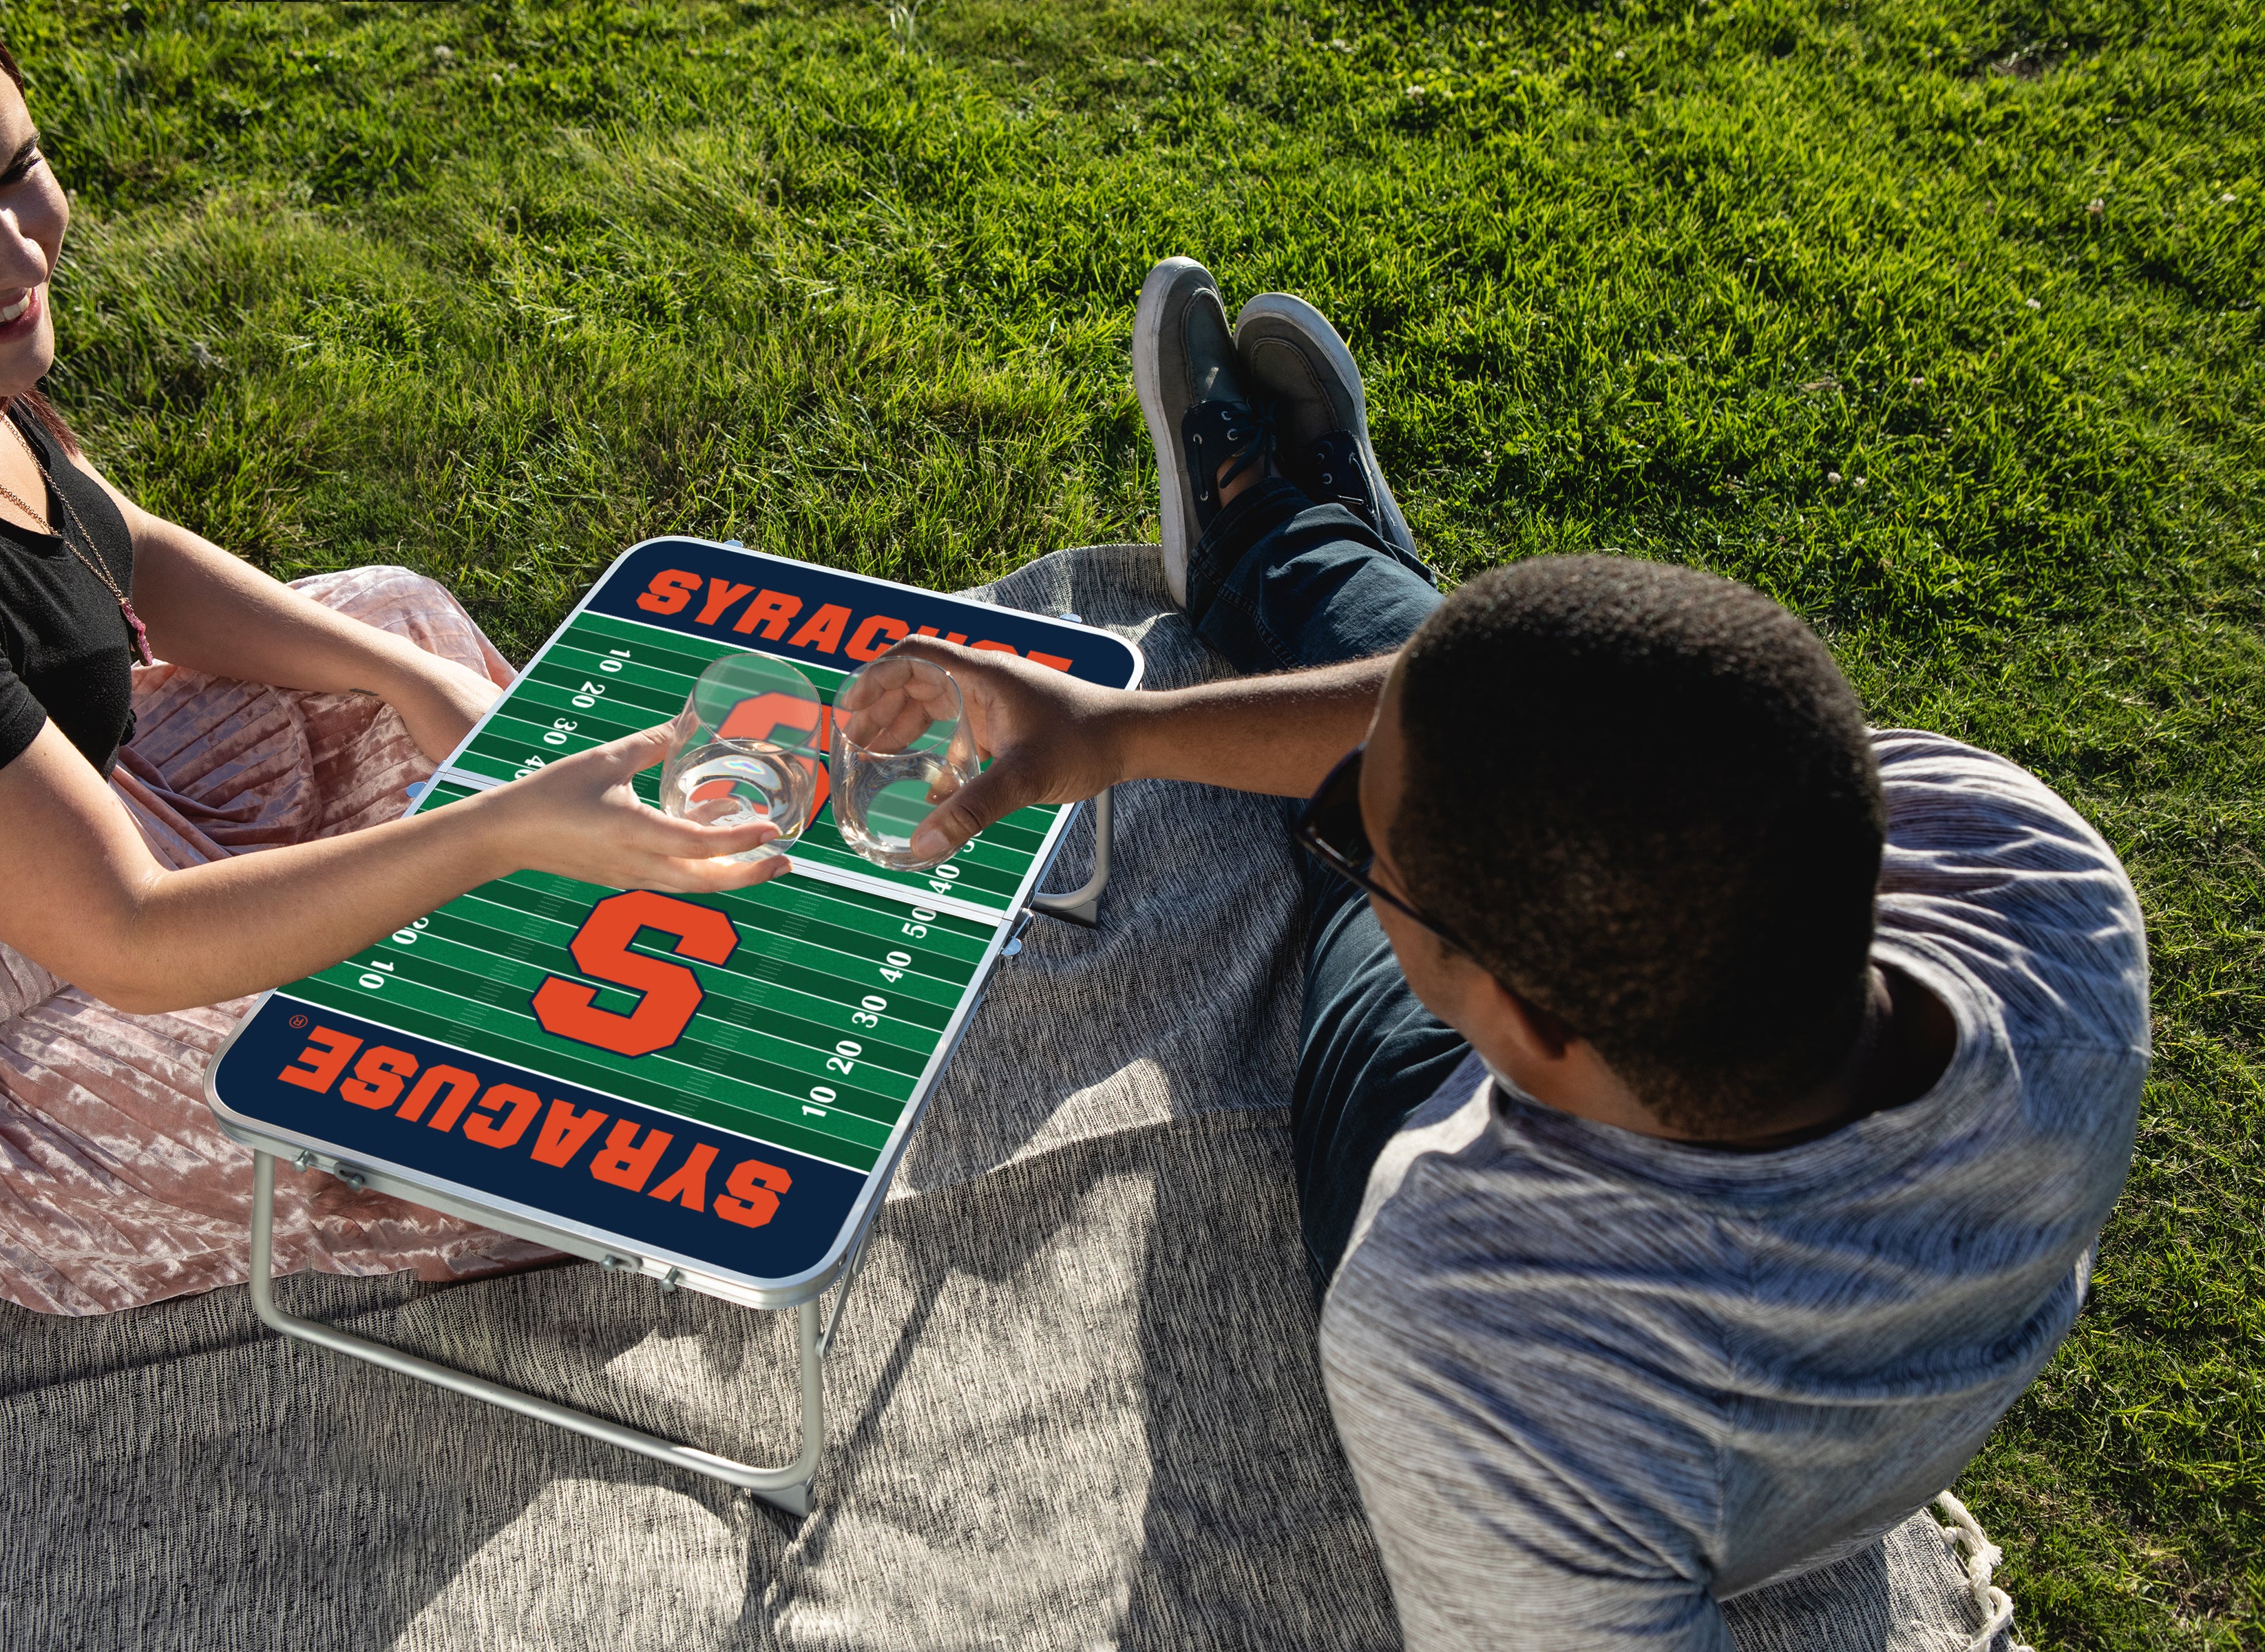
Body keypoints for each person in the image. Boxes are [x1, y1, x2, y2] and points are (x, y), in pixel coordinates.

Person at [890, 256, 2147, 1648]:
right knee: (1497, 708)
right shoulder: (2034, 870)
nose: (1345, 849)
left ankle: (1292, 549)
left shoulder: (1475, 1330)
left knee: (1411, 793)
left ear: (1520, 1022)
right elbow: (1586, 731)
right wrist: (1114, 736)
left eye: (1363, 854)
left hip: (1444, 1133)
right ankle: (1310, 555)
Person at [0, 0, 781, 1315]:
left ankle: (559, 881)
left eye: (17, 169)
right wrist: (494, 833)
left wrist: (406, 680)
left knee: (393, 618)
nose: (15, 249)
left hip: (86, 818)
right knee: (486, 1109)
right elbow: (131, 940)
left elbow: (111, 545)